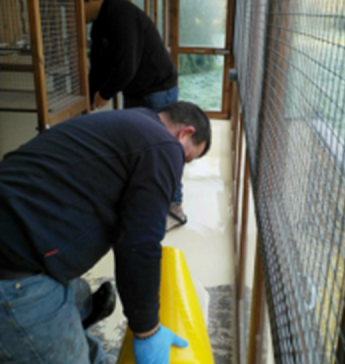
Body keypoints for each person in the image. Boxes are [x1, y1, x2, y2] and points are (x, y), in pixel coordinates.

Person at [0, 101, 211, 364]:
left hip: (18, 224)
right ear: (186, 133)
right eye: (187, 157)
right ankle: (66, 315)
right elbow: (139, 245)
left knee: (77, 295)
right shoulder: (165, 147)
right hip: (16, 268)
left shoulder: (132, 122)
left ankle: (80, 308)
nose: (181, 166)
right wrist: (147, 330)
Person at [83, 0, 187, 228]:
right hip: (136, 93)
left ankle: (174, 205)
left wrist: (104, 94)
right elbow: (98, 67)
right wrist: (89, 96)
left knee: (163, 145)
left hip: (157, 89)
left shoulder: (121, 14)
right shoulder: (99, 25)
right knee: (137, 145)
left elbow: (125, 65)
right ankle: (139, 199)